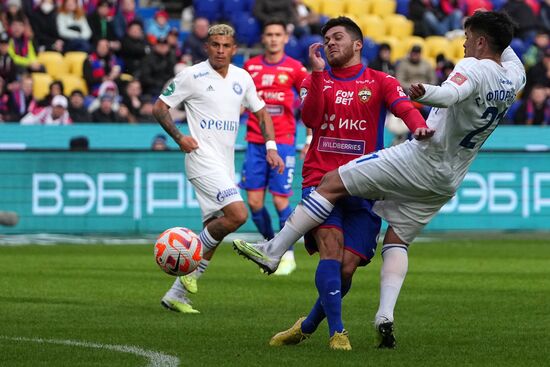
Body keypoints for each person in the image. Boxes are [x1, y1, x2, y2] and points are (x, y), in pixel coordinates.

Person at [233, 11, 525, 348]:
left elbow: (448, 96)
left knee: (331, 183)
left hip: (422, 157)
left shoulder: (473, 66)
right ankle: (384, 314)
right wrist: (495, 23)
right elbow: (507, 48)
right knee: (397, 240)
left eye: (466, 36)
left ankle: (274, 249)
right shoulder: (515, 77)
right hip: (450, 177)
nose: (462, 43)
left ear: (480, 41)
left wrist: (423, 91)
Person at [241, 16, 427, 350]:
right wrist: (315, 74)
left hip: (366, 183)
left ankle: (307, 324)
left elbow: (404, 108)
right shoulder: (317, 79)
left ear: (358, 45)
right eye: (326, 39)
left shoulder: (380, 81)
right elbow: (310, 118)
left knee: (347, 267)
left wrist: (420, 128)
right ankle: (337, 333)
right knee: (331, 248)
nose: (330, 44)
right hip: (321, 181)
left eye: (337, 37)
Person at [153, 24, 284, 314]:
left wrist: (271, 147)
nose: (220, 50)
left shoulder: (242, 78)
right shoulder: (192, 75)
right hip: (200, 158)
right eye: (215, 45)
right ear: (207, 47)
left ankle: (176, 296)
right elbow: (159, 108)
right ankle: (186, 259)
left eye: (226, 46)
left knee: (215, 229)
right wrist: (179, 138)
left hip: (224, 164)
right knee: (238, 214)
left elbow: (262, 113)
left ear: (234, 49)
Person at [240, 19, 309, 276]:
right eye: (269, 34)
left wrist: (309, 138)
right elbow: (241, 101)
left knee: (281, 200)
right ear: (263, 37)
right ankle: (271, 249)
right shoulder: (250, 67)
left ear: (285, 38)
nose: (273, 39)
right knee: (255, 203)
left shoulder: (294, 68)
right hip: (255, 141)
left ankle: (287, 254)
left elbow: (309, 103)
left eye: (277, 34)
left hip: (283, 142)